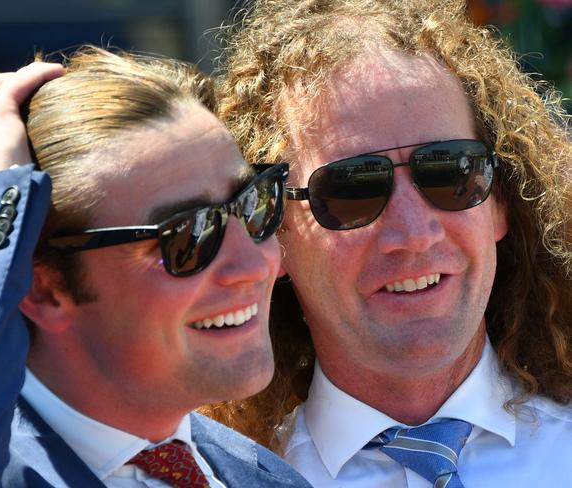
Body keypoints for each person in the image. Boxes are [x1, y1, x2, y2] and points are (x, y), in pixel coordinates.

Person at [203, 0, 572, 486]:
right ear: (273, 233)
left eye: (450, 172)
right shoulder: (216, 479)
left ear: (499, 202)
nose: (414, 234)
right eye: (352, 189)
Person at [0, 46, 311, 488]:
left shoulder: (268, 478)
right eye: (188, 235)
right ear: (42, 289)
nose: (256, 263)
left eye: (255, 204)